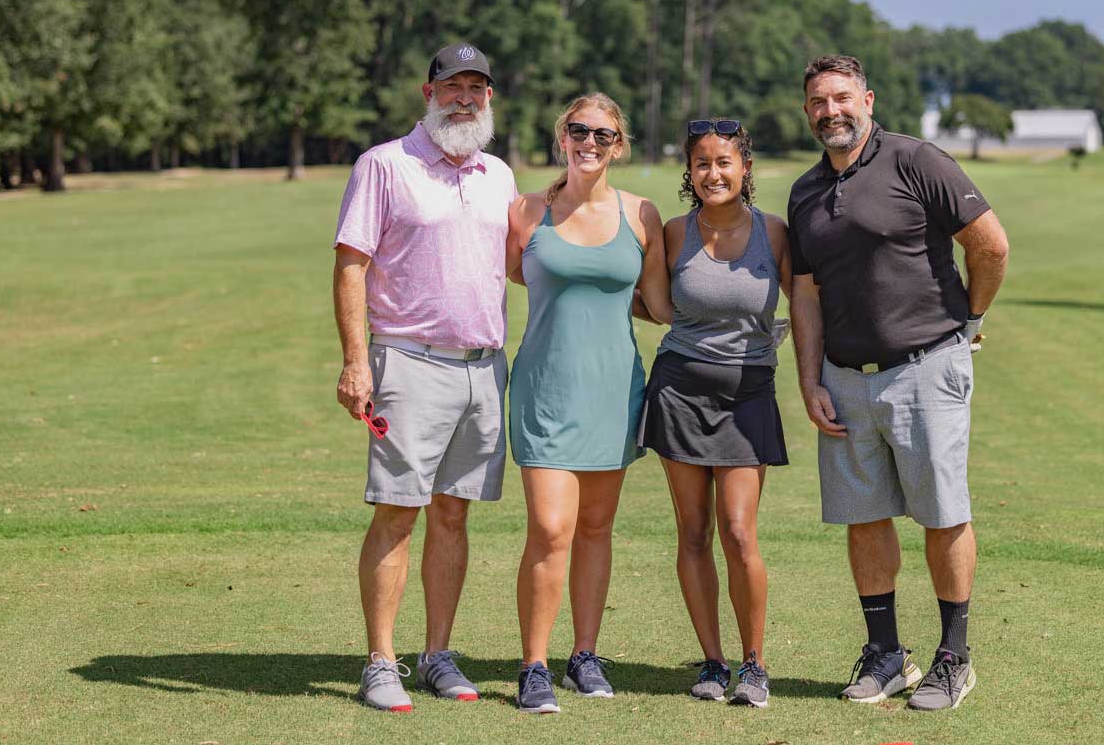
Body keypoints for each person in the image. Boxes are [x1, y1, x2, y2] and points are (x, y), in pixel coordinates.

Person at [786, 54, 1009, 712]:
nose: (831, 111)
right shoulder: (805, 192)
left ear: (868, 101)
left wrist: (969, 321)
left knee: (942, 513)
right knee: (864, 516)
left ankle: (953, 658)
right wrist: (809, 378)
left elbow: (990, 246)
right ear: (807, 111)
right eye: (819, 101)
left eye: (842, 97)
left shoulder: (917, 161)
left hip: (925, 367)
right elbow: (805, 294)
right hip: (844, 378)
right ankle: (886, 655)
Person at [331, 43, 517, 713]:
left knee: (453, 513)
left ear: (489, 98)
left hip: (483, 370)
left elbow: (520, 263)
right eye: (451, 86)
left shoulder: (498, 174)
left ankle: (438, 654)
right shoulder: (385, 165)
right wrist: (356, 361)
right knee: (398, 512)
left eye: (476, 88)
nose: (464, 99)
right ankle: (382, 662)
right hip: (408, 364)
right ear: (428, 92)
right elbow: (351, 264)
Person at [505, 93, 669, 714]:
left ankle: (584, 655)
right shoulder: (526, 211)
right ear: (562, 138)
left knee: (596, 528)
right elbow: (517, 274)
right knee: (551, 529)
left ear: (618, 145)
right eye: (579, 131)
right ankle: (534, 665)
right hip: (545, 391)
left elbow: (659, 303)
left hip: (614, 392)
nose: (589, 143)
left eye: (602, 135)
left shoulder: (641, 214)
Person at [636, 118, 792, 709]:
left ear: (744, 168)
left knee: (738, 530)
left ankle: (754, 664)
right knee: (694, 531)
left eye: (724, 162)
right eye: (702, 163)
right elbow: (653, 303)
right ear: (690, 171)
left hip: (748, 395)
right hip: (679, 390)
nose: (713, 173)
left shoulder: (774, 233)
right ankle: (713, 660)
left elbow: (807, 301)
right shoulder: (675, 233)